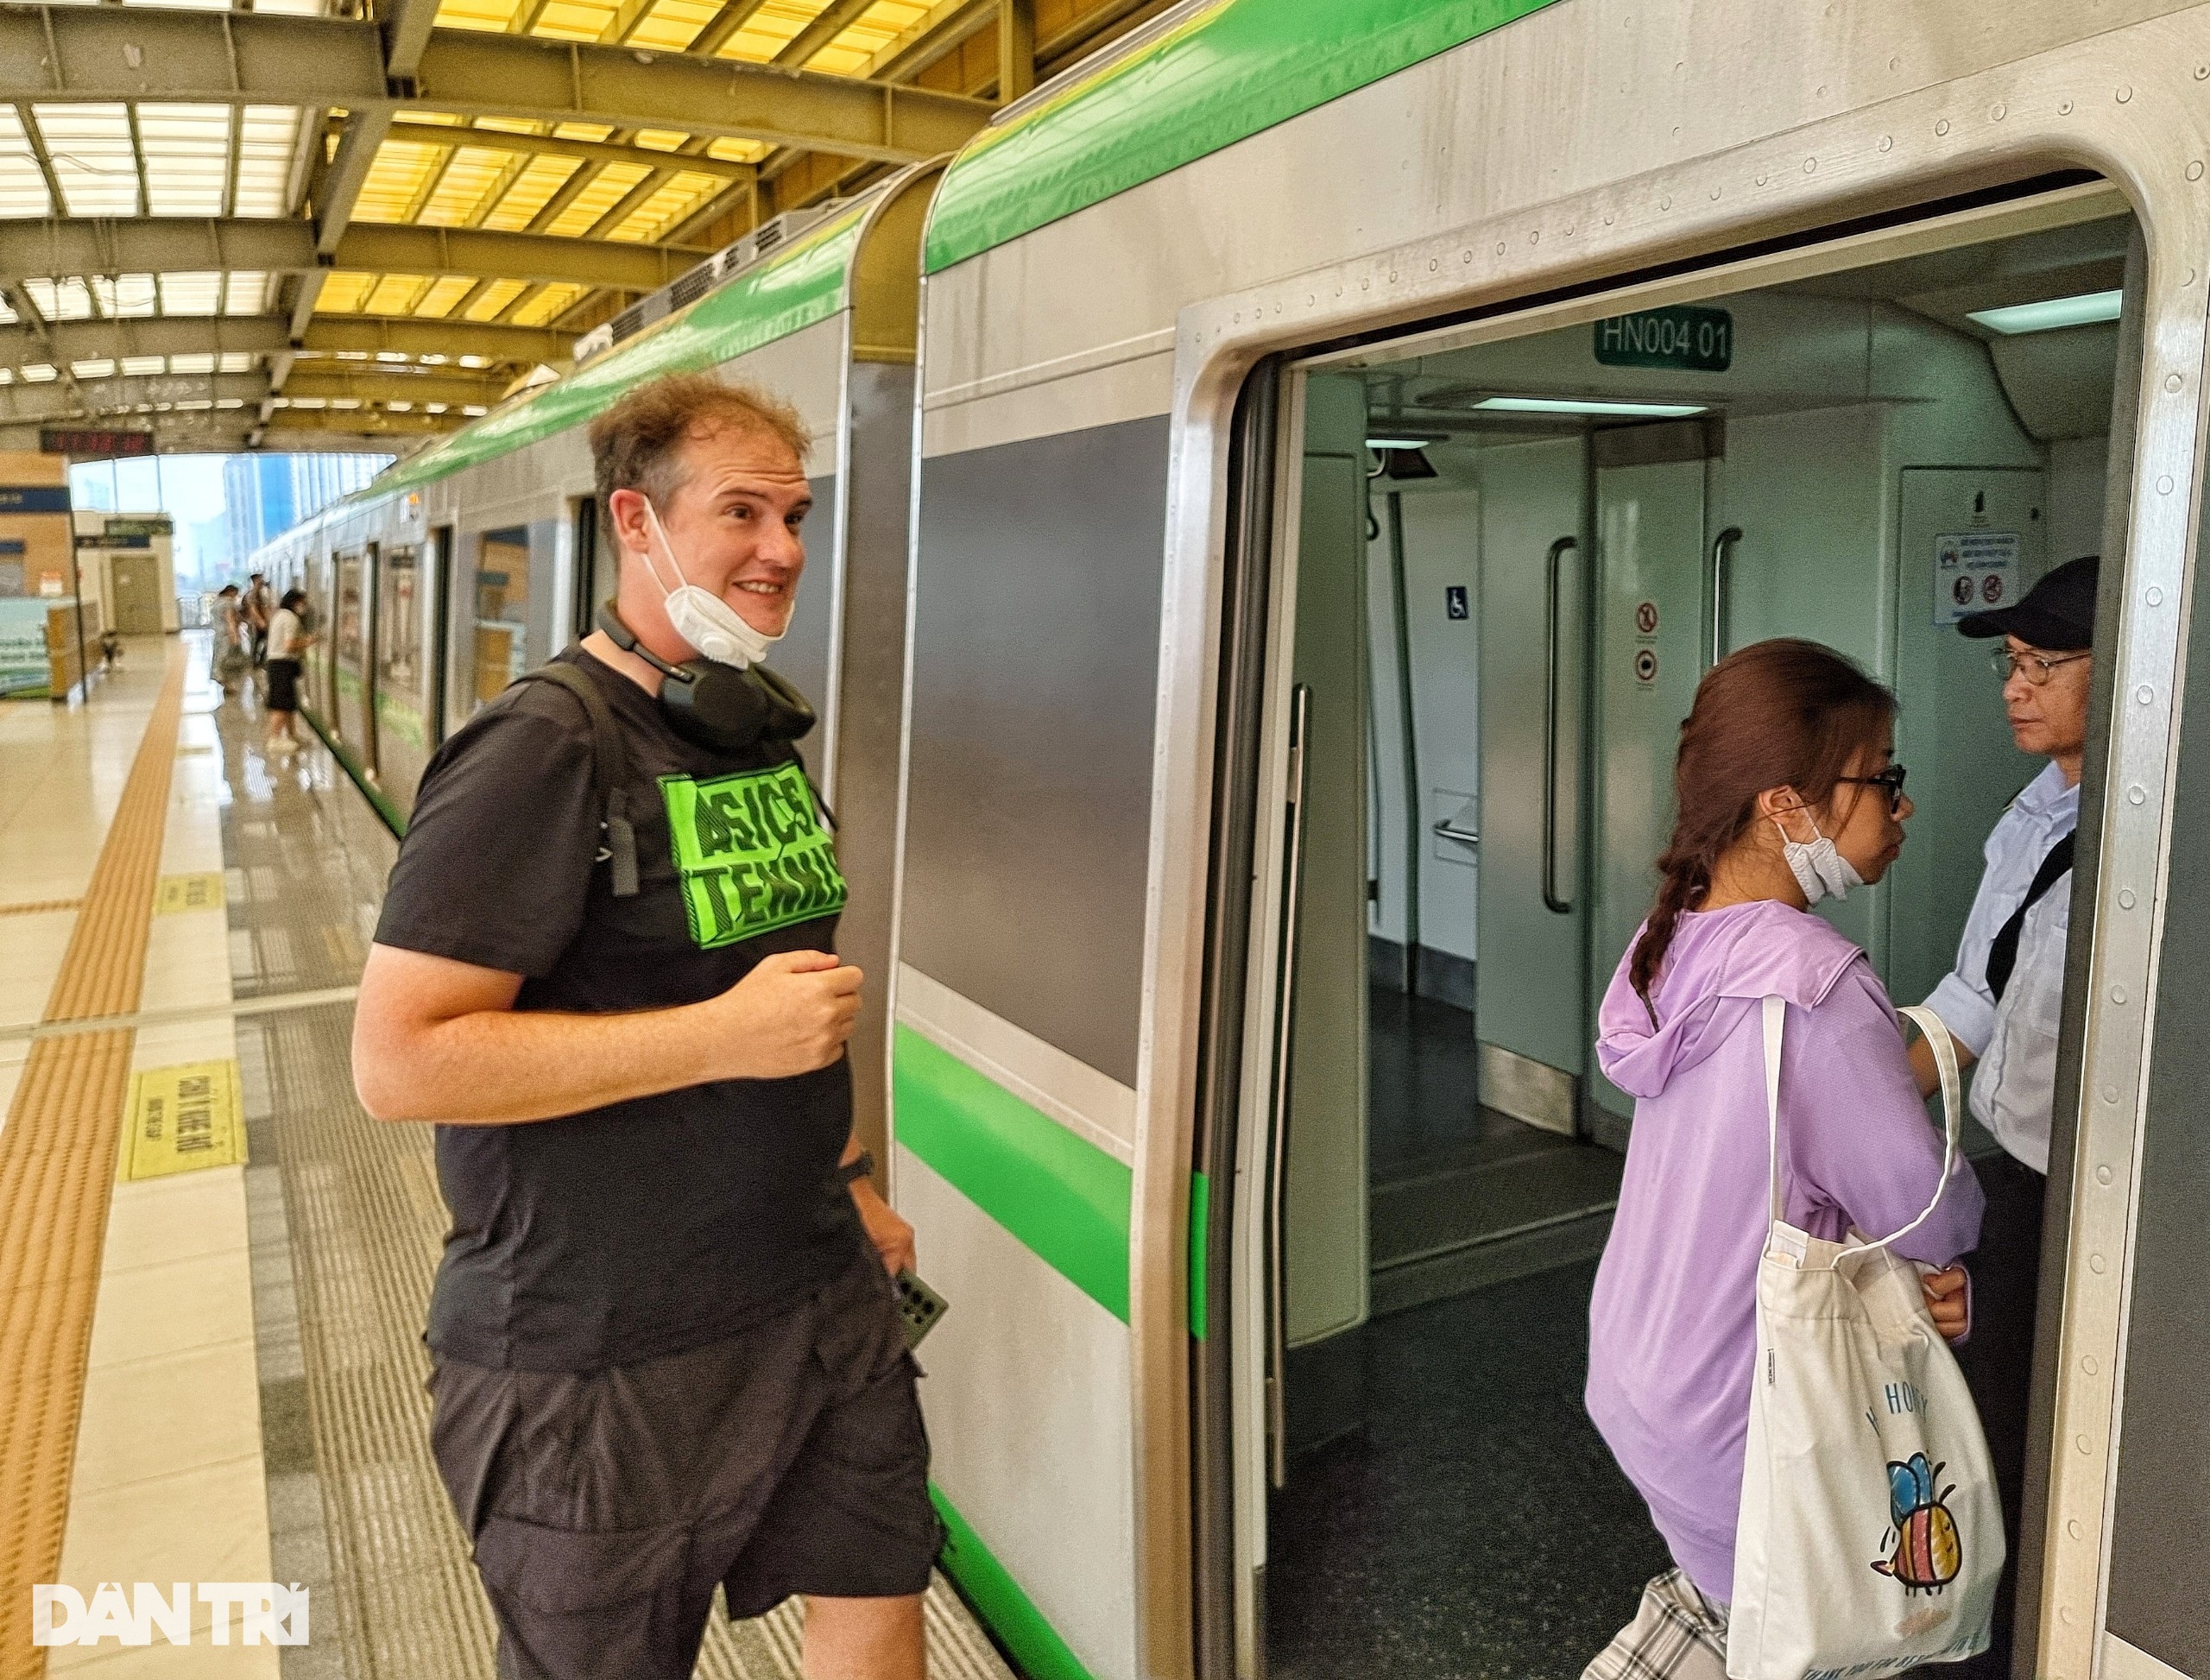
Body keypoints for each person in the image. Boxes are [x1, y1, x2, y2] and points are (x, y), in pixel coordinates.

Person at [349, 372, 931, 1680]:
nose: (782, 549)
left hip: (813, 1288)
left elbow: (787, 987)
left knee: (879, 1583)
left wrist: (851, 1180)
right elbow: (399, 1059)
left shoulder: (747, 733)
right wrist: (714, 1039)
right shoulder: (541, 748)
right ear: (635, 521)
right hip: (600, 1350)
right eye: (741, 511)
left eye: (795, 514)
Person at [1582, 640, 1985, 1680]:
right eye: (1881, 776)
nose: (1900, 805)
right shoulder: (1813, 981)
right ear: (1783, 804)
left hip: (1643, 1369)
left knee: (1729, 1603)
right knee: (1781, 1622)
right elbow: (1924, 1210)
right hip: (1747, 1411)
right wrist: (1936, 1260)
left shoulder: (1668, 942)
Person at [1910, 553, 2098, 1680]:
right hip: (2013, 1181)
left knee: (2036, 1441)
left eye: (2043, 664)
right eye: (2013, 665)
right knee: (1988, 1419)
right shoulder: (2034, 811)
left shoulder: (2152, 829)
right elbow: (1973, 990)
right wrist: (1854, 1097)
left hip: (2092, 1189)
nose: (2015, 687)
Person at [262, 588, 315, 757]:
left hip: (278, 664)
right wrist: (309, 640)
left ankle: (292, 736)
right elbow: (289, 645)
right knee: (281, 704)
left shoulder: (280, 615)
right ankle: (274, 739)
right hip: (282, 664)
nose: (304, 606)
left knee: (288, 703)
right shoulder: (290, 618)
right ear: (295, 602)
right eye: (302, 602)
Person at [212, 584, 248, 695]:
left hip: (219, 635)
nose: (236, 596)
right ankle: (228, 684)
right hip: (228, 636)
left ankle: (223, 680)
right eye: (236, 594)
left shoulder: (218, 602)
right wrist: (235, 636)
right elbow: (230, 621)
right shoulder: (228, 603)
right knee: (230, 662)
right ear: (231, 592)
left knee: (221, 658)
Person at [244, 572, 272, 665]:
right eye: (260, 579)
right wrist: (261, 621)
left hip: (262, 622)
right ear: (255, 580)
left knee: (265, 641)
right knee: (256, 643)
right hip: (256, 625)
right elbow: (253, 609)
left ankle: (259, 661)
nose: (262, 580)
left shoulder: (261, 593)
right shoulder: (252, 594)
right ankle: (254, 662)